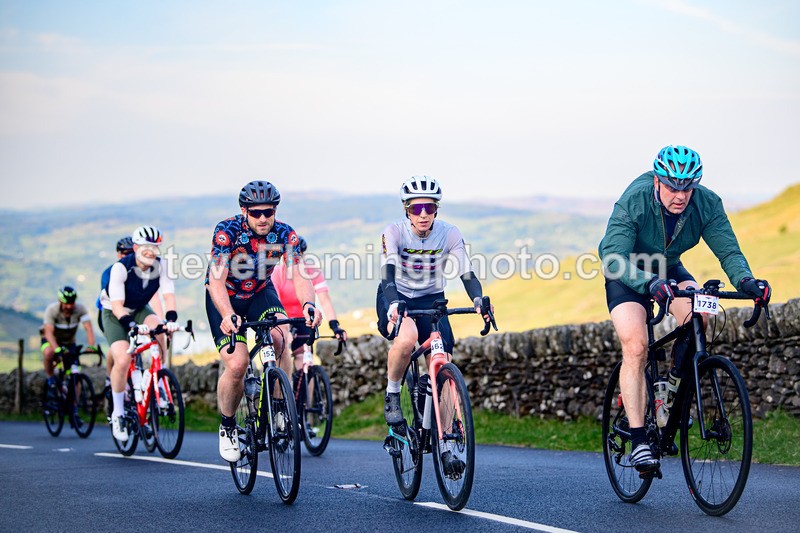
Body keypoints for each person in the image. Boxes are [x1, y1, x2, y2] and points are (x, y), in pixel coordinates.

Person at [598, 145, 771, 473]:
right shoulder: (635, 200)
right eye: (673, 186)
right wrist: (647, 283)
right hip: (626, 271)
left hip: (669, 268)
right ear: (658, 181)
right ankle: (639, 441)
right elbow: (612, 256)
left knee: (700, 314)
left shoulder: (706, 203)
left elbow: (728, 251)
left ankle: (669, 392)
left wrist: (747, 281)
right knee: (636, 346)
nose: (680, 195)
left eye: (687, 187)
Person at [377, 175, 493, 475]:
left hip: (432, 299)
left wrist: (479, 299)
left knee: (443, 361)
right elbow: (387, 274)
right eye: (416, 209)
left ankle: (446, 443)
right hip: (396, 295)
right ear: (407, 210)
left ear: (436, 209)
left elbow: (466, 273)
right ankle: (392, 395)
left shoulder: (449, 233)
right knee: (407, 339)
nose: (424, 214)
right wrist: (393, 302)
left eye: (429, 207)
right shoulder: (394, 232)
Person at [206, 180, 322, 462]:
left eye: (268, 212)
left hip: (259, 292)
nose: (262, 218)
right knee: (237, 363)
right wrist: (226, 314)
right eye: (256, 212)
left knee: (282, 335)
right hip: (225, 297)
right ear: (244, 211)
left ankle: (281, 407)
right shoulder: (227, 232)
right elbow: (215, 280)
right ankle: (228, 425)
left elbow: (299, 274)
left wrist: (309, 304)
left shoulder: (285, 233)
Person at [99, 225, 179, 442]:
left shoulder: (161, 267)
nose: (151, 251)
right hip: (114, 313)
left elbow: (168, 297)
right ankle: (118, 414)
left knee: (159, 329)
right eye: (146, 247)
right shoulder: (120, 268)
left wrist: (170, 320)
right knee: (123, 359)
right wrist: (131, 325)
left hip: (140, 308)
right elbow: (117, 306)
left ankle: (160, 379)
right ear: (136, 247)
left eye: (155, 247)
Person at [97, 236, 165, 391]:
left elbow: (154, 298)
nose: (127, 255)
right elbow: (115, 303)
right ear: (118, 254)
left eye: (129, 252)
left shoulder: (144, 269)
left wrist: (161, 323)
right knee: (118, 351)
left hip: (136, 310)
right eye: (123, 252)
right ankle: (110, 380)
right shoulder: (112, 271)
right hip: (111, 313)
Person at [270, 235, 348, 369]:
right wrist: (284, 328)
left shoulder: (312, 270)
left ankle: (307, 386)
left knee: (304, 358)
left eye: (300, 255)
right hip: (283, 318)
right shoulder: (277, 273)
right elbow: (274, 301)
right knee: (282, 356)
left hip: (303, 319)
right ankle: (284, 387)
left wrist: (335, 325)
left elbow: (325, 301)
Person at [41, 286, 98, 394]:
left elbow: (88, 327)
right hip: (51, 340)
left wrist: (91, 345)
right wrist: (56, 348)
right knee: (49, 353)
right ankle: (50, 378)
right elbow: (48, 332)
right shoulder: (52, 310)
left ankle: (74, 408)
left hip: (69, 343)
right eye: (66, 303)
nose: (69, 306)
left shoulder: (80, 309)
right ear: (60, 301)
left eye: (72, 303)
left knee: (74, 372)